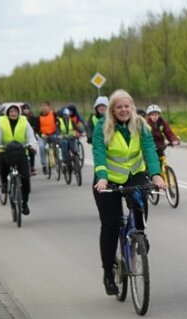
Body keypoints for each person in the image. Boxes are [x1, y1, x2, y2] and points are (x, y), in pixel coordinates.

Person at [92, 89, 165, 296]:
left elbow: (149, 149)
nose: (124, 110)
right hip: (108, 179)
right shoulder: (102, 126)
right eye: (119, 107)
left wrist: (156, 175)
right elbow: (98, 152)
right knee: (111, 225)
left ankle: (139, 232)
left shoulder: (141, 124)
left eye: (127, 106)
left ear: (132, 107)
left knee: (141, 199)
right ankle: (108, 272)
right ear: (112, 110)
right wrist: (103, 176)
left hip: (134, 173)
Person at [0, 104, 38, 215]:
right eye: (11, 111)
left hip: (21, 151)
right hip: (6, 150)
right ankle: (4, 183)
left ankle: (25, 202)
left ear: (19, 112)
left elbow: (31, 136)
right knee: (2, 161)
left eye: (15, 111)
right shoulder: (2, 122)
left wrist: (32, 146)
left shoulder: (24, 122)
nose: (13, 114)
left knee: (26, 178)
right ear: (7, 113)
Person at [57, 107, 84, 171]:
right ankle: (65, 161)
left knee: (74, 146)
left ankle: (75, 157)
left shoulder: (71, 121)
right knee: (65, 144)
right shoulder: (59, 121)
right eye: (64, 115)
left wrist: (83, 132)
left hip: (71, 138)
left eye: (67, 115)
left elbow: (77, 128)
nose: (66, 117)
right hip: (63, 139)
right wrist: (59, 135)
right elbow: (57, 130)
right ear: (62, 115)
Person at [37, 101, 58, 174]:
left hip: (53, 134)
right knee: (41, 147)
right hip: (44, 136)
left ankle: (58, 160)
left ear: (49, 107)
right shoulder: (38, 117)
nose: (44, 107)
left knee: (58, 145)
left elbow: (58, 124)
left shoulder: (54, 115)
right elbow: (37, 129)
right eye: (42, 106)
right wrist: (41, 134)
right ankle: (44, 165)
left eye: (45, 106)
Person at [21, 103, 39, 175]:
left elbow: (36, 125)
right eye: (25, 109)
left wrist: (33, 128)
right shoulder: (20, 117)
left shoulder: (32, 117)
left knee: (32, 150)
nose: (26, 110)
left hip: (30, 135)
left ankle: (32, 167)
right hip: (22, 136)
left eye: (27, 109)